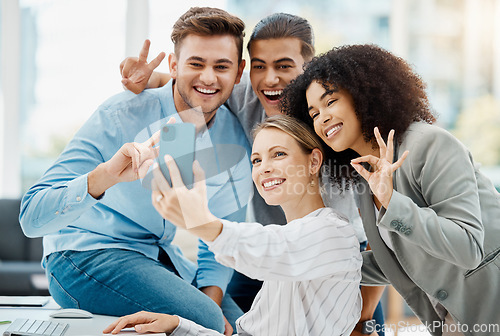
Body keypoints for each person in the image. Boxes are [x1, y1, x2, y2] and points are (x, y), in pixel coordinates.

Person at [121, 14, 386, 335]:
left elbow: (383, 224)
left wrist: (362, 311)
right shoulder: (247, 96)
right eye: (259, 66)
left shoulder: (337, 120)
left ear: (309, 67)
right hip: (262, 249)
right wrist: (143, 79)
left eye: (284, 66)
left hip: (338, 259)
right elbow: (196, 84)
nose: (270, 79)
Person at [19, 7, 254, 334]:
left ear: (239, 71)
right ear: (174, 65)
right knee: (209, 321)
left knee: (246, 326)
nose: (208, 77)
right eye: (196, 63)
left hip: (156, 258)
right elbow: (31, 218)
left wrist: (210, 305)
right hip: (82, 256)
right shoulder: (120, 115)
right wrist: (107, 176)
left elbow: (220, 233)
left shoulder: (233, 138)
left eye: (222, 66)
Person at [282, 43, 500, 336]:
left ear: (362, 94)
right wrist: (320, 263)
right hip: (454, 320)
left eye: (330, 102)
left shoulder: (429, 145)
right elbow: (397, 263)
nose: (322, 118)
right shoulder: (364, 177)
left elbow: (469, 247)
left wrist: (391, 201)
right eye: (313, 113)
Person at [104, 114, 363, 336]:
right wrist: (178, 326)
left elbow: (271, 248)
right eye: (257, 160)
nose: (264, 169)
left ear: (314, 161)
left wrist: (204, 223)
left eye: (278, 154)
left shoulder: (334, 233)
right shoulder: (288, 253)